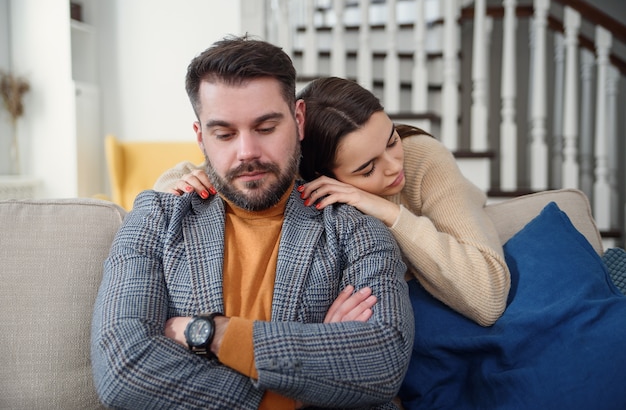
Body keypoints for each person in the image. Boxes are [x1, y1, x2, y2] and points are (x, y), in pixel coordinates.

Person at [91, 36, 414, 410]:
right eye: (224, 134)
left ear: (298, 120)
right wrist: (308, 378)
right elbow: (123, 371)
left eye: (265, 128)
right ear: (201, 138)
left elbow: (381, 362)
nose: (247, 152)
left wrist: (210, 334)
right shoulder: (156, 219)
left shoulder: (354, 228)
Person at [155, 76, 511, 328]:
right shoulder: (304, 186)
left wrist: (388, 211)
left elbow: (488, 296)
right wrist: (182, 180)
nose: (393, 167)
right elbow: (188, 176)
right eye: (368, 168)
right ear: (322, 177)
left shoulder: (420, 158)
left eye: (390, 140)